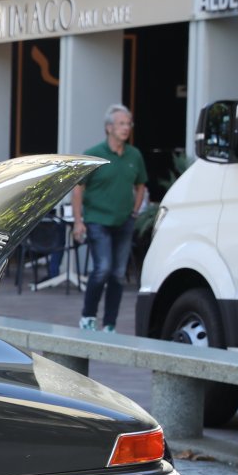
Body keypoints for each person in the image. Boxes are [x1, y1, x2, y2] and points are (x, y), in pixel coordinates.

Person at [75, 104, 148, 332]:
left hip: (124, 221)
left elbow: (141, 185)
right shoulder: (93, 154)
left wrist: (135, 211)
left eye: (128, 124)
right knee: (103, 268)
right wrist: (78, 221)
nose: (126, 128)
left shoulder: (134, 155)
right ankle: (88, 317)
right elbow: (78, 188)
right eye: (121, 124)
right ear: (109, 128)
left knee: (117, 274)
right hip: (97, 220)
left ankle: (109, 324)